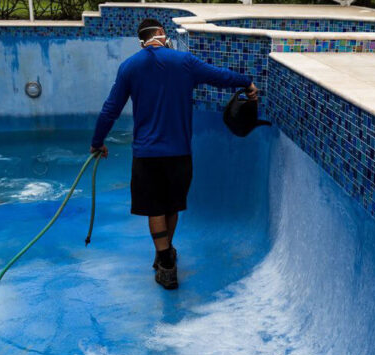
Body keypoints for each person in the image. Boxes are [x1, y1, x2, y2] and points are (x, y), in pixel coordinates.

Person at [90, 18, 258, 290]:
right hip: (179, 152)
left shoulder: (129, 67)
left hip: (146, 154)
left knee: (154, 207)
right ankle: (167, 254)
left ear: (142, 40)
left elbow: (110, 109)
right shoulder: (184, 62)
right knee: (171, 205)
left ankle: (165, 259)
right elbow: (219, 76)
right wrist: (247, 82)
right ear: (160, 33)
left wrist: (97, 141)